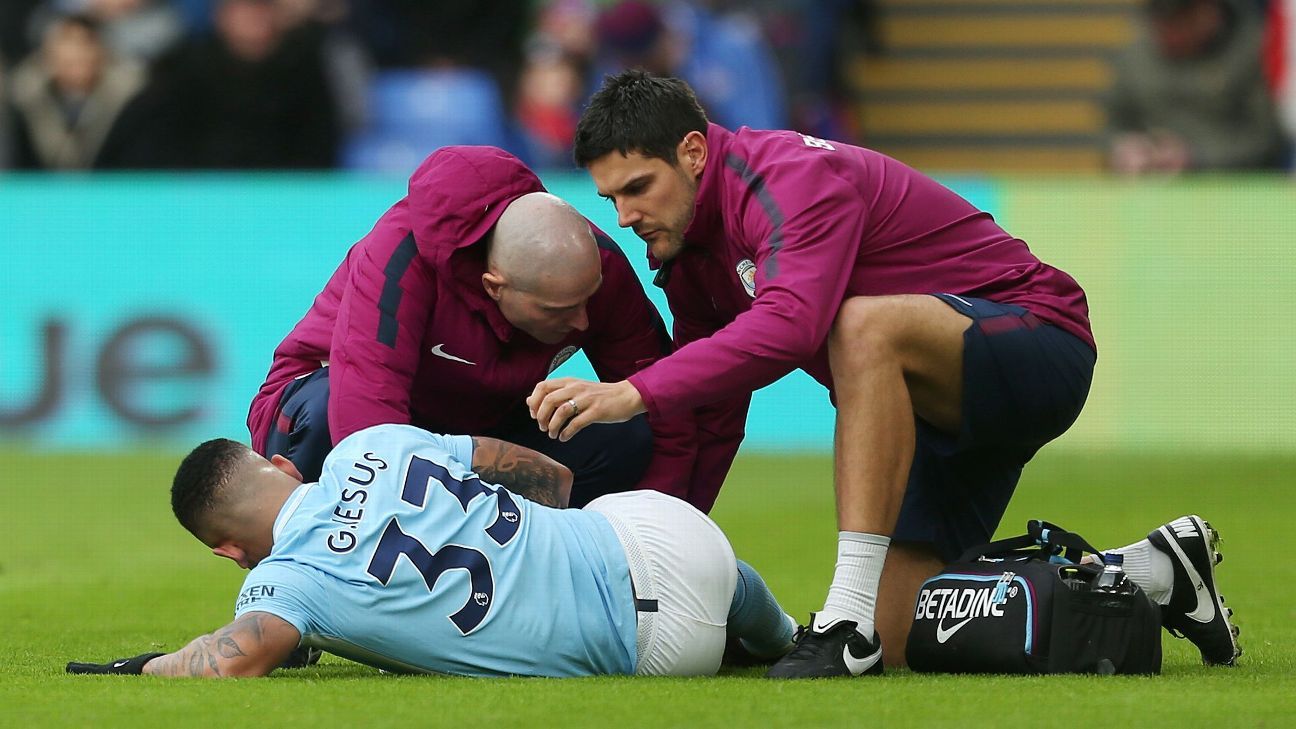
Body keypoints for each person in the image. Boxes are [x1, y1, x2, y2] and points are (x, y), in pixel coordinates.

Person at [528, 70, 1241, 676]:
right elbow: (707, 409)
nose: (626, 215)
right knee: (910, 638)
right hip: (925, 416)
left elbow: (791, 324)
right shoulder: (690, 257)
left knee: (860, 325)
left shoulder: (789, 176)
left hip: (1036, 339)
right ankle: (1151, 571)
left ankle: (844, 622)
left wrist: (632, 391)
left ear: (692, 152)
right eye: (611, 199)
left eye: (638, 187)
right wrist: (650, 550)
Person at [65, 424, 797, 678]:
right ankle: (789, 638)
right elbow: (545, 474)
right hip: (668, 532)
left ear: (228, 551)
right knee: (701, 567)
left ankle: (755, 630)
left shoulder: (285, 583)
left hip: (657, 649)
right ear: (282, 465)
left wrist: (149, 664)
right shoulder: (369, 444)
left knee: (677, 610)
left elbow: (232, 660)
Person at [248, 145, 706, 509]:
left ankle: (560, 572)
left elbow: (663, 407)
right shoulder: (397, 259)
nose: (582, 322)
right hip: (335, 410)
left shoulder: (591, 265)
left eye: (588, 300)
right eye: (560, 310)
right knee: (330, 422)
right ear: (494, 286)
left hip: (476, 422)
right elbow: (367, 431)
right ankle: (330, 576)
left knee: (625, 433)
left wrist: (664, 536)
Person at [1107, 0, 1286, 174]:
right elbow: (1110, 123)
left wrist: (1197, 157)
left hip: (1231, 184)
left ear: (1208, 12)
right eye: (1162, 24)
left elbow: (1267, 138)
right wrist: (1125, 147)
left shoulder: (1254, 47)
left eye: (1181, 21)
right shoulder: (1135, 52)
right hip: (1149, 184)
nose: (1171, 34)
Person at [5, 12, 152, 169]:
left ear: (102, 51)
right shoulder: (24, 97)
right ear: (47, 53)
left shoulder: (131, 99)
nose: (77, 52)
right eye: (67, 42)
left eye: (85, 42)